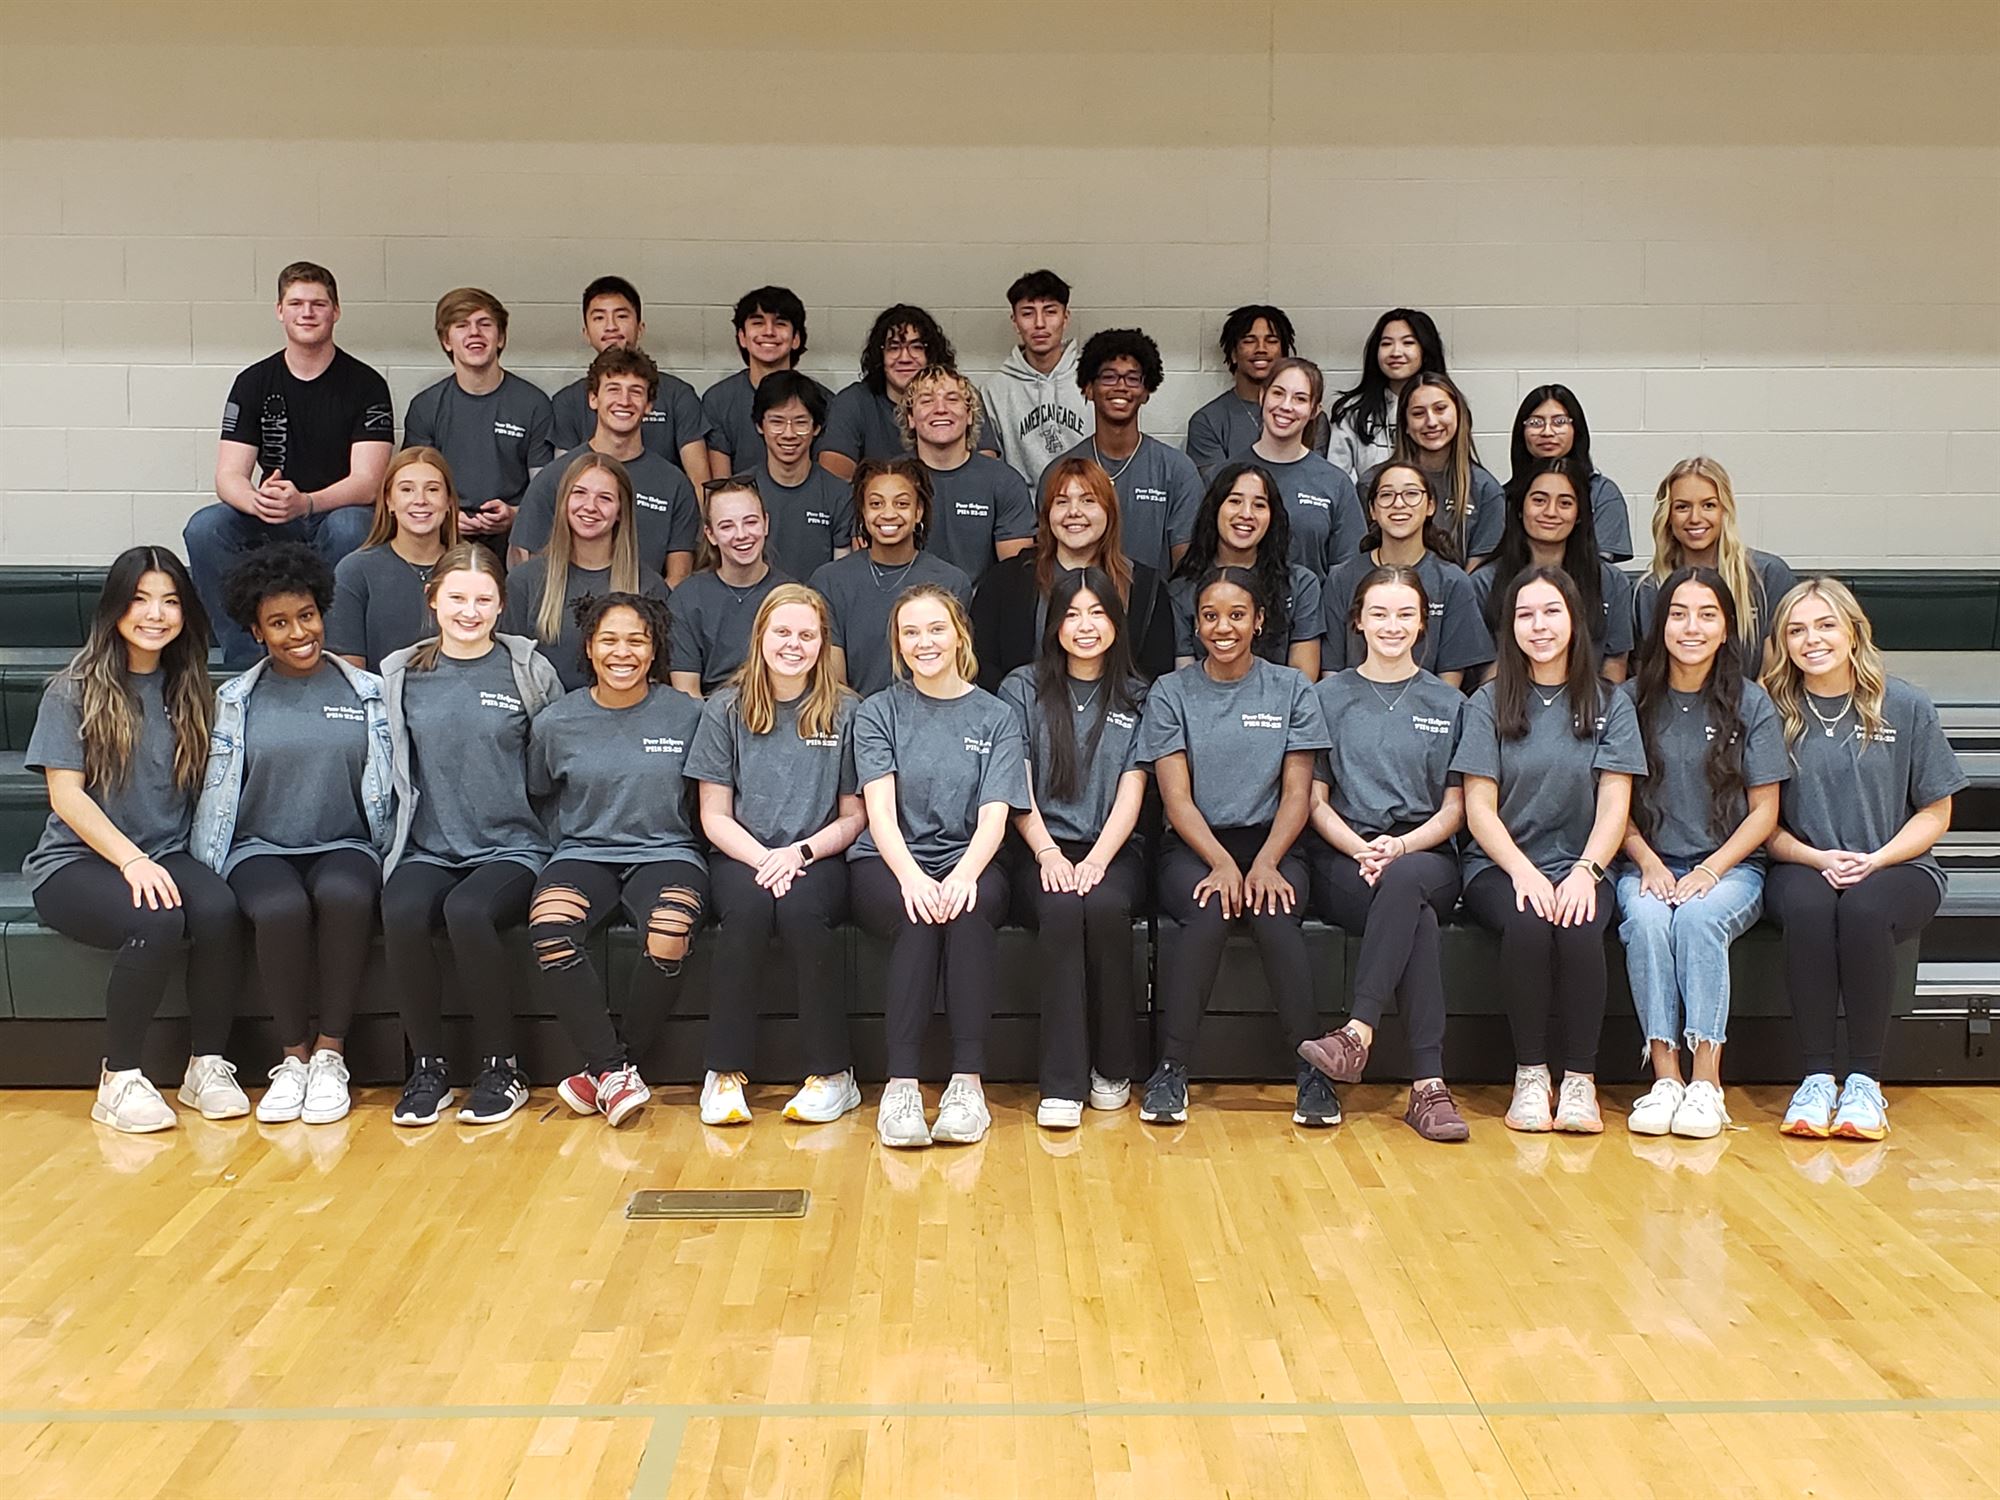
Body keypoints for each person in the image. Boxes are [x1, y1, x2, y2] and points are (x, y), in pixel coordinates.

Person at [23, 548, 248, 1133]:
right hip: (76, 862)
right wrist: (130, 860)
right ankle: (119, 1078)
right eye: (142, 599)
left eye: (170, 601)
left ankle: (207, 1065)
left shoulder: (190, 684)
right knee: (157, 917)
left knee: (221, 908)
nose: (156, 614)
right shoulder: (72, 688)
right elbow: (65, 797)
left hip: (164, 851)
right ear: (116, 608)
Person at [192, 544, 394, 1128]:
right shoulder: (235, 700)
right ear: (256, 632)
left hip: (346, 843)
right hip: (259, 847)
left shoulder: (368, 692)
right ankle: (293, 1060)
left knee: (346, 896)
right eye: (279, 623)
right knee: (278, 908)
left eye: (306, 616)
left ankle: (331, 1056)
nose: (298, 632)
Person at [1764, 577, 1964, 1142]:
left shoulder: (1905, 704)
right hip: (1800, 864)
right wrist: (1816, 856)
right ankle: (1816, 1078)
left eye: (1825, 625)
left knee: (1864, 912)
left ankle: (1865, 1083)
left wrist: (1876, 860)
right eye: (1796, 630)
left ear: (1854, 632)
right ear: (1783, 642)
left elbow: (1936, 813)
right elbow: (1763, 822)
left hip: (1899, 866)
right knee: (1809, 909)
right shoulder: (1770, 710)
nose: (1812, 639)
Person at [1135, 568, 1336, 1127]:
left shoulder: (1291, 688)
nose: (1223, 627)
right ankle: (1171, 1069)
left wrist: (1266, 861)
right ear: (1196, 624)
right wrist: (1223, 863)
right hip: (1196, 846)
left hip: (1276, 841)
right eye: (1210, 616)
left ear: (1260, 621)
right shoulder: (1171, 692)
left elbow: (1297, 793)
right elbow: (1175, 798)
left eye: (1237, 615)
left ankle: (1312, 1072)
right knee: (1209, 908)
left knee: (1274, 915)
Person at [1451, 567, 1646, 1135]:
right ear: (1510, 627)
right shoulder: (1488, 702)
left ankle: (1581, 1080)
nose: (1539, 626)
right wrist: (1523, 873)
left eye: (1551, 612)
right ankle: (1532, 1076)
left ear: (1575, 620)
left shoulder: (1612, 702)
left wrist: (1586, 871)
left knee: (1582, 927)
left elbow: (1616, 802)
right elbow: (1478, 808)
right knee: (1531, 923)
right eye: (1525, 614)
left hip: (1584, 863)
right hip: (1501, 866)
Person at [380, 545, 564, 1128]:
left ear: (501, 606)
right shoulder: (399, 674)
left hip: (513, 845)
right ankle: (428, 1068)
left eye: (483, 599)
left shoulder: (530, 671)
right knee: (402, 910)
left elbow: (558, 762)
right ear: (433, 600)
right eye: (456, 597)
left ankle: (501, 1066)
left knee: (467, 911)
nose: (470, 610)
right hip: (429, 845)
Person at [1296, 567, 1470, 1141]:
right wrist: (1363, 848)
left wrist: (1400, 845)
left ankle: (1357, 1035)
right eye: (1379, 613)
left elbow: (1454, 809)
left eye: (1404, 614)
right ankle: (1428, 1088)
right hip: (1347, 856)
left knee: (1410, 884)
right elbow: (1314, 801)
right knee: (1410, 912)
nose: (1391, 626)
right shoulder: (1327, 695)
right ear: (1358, 620)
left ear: (1422, 623)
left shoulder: (1449, 702)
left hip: (1425, 852)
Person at [852, 584, 1028, 1149]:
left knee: (967, 912)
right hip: (891, 860)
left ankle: (966, 1087)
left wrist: (960, 877)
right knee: (918, 915)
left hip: (970, 860)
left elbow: (995, 817)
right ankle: (900, 1088)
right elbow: (879, 815)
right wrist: (913, 879)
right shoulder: (878, 711)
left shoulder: (997, 715)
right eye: (910, 632)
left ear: (959, 635)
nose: (924, 642)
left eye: (935, 629)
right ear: (897, 644)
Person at [1616, 567, 1788, 1139]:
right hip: (1648, 858)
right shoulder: (1629, 700)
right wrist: (1647, 861)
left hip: (1732, 866)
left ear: (1727, 629)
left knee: (1697, 919)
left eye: (1707, 615)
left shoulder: (1753, 702)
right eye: (1679, 613)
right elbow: (1613, 803)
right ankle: (1665, 1077)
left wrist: (1713, 870)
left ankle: (1706, 1084)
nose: (1692, 627)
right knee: (1643, 919)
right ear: (1660, 624)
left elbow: (1765, 811)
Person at [687, 584, 868, 1126]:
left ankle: (835, 1075)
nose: (794, 644)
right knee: (744, 914)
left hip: (819, 855)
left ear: (822, 643)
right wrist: (766, 858)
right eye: (782, 632)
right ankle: (722, 1073)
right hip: (743, 853)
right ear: (760, 636)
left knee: (799, 912)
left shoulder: (848, 709)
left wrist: (799, 853)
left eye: (807, 635)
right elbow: (714, 814)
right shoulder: (724, 707)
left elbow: (854, 815)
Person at [531, 593, 707, 1129]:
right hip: (584, 853)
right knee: (550, 925)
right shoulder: (555, 722)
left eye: (637, 640)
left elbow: (708, 802)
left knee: (670, 928)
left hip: (668, 852)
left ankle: (606, 1071)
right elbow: (539, 796)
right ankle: (614, 1069)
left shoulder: (689, 715)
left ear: (655, 650)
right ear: (589, 646)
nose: (623, 652)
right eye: (609, 639)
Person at [997, 569, 1149, 1128]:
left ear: (1116, 622)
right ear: (1054, 624)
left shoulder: (1139, 694)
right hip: (1040, 846)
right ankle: (1061, 1081)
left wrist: (1097, 861)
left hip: (1110, 848)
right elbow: (1017, 785)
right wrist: (1048, 854)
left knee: (1106, 906)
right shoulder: (1022, 688)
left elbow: (1133, 789)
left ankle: (1112, 1067)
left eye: (1098, 613)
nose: (1085, 627)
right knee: (1061, 909)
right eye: (1073, 615)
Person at [190, 261, 394, 666]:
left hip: (333, 511)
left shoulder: (367, 384)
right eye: (296, 303)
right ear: (279, 310)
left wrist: (308, 502)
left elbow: (369, 483)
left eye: (318, 304)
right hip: (272, 513)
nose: (307, 312)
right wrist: (257, 502)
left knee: (353, 525)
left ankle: (332, 654)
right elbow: (228, 476)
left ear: (336, 311)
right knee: (205, 528)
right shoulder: (253, 382)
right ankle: (247, 656)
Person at [968, 453, 1174, 689]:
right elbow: (982, 664)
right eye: (1062, 501)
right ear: (1047, 514)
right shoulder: (1005, 581)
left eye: (1088, 500)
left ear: (1110, 512)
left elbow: (1156, 676)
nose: (1074, 511)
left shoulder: (1145, 588)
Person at [509, 346, 699, 585]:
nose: (624, 401)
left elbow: (679, 576)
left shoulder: (674, 484)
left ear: (650, 404)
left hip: (642, 618)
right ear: (593, 398)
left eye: (636, 392)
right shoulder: (556, 477)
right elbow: (525, 566)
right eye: (613, 389)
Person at [501, 452, 672, 693]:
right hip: (542, 722)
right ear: (563, 502)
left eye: (605, 498)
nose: (590, 506)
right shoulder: (524, 581)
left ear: (621, 511)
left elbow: (657, 679)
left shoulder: (648, 586)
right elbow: (507, 671)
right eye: (579, 493)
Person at [401, 287, 553, 549]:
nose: (474, 333)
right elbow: (415, 483)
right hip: (443, 531)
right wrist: (446, 516)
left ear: (501, 337)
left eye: (485, 324)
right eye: (462, 325)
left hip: (515, 534)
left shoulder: (533, 403)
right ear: (446, 341)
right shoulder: (426, 406)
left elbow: (543, 490)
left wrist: (516, 514)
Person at [808, 459, 973, 696]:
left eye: (902, 503)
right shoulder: (829, 581)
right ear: (863, 512)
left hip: (928, 720)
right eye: (876, 503)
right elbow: (834, 683)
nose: (888, 513)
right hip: (854, 721)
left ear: (918, 512)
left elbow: (954, 673)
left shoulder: (951, 582)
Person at [1320, 463, 1491, 687]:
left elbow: (1451, 676)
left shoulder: (1452, 581)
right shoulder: (1342, 578)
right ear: (1372, 510)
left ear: (1430, 506)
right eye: (1386, 495)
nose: (1398, 504)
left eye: (1411, 494)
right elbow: (1331, 668)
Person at [1471, 456, 1633, 682]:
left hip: (1588, 709)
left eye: (1565, 503)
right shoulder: (1483, 583)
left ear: (1579, 514)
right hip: (1509, 708)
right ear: (1519, 508)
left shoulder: (1611, 582)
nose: (1551, 512)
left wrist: (1601, 715)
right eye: (1539, 500)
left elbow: (1615, 662)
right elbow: (1484, 671)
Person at [1635, 457, 1797, 679]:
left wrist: (1755, 710)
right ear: (1668, 515)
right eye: (1682, 507)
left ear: (1725, 510)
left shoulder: (1767, 575)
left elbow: (1777, 669)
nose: (1695, 518)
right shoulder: (1649, 590)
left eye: (1709, 505)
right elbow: (1648, 672)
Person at [1062, 327, 1203, 580]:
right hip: (1079, 613)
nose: (1121, 387)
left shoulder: (1177, 470)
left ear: (1146, 391)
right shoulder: (1062, 471)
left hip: (1154, 613)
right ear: (1088, 388)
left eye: (1132, 378)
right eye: (1108, 377)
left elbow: (1187, 569)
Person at [1168, 462, 1324, 679]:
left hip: (1278, 709)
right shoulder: (1183, 588)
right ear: (1215, 509)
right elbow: (1183, 677)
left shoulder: (1301, 584)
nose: (1246, 514)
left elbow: (1303, 677)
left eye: (1259, 505)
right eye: (1235, 501)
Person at [550, 275, 712, 480]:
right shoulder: (567, 401)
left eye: (621, 316)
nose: (611, 326)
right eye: (599, 318)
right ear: (586, 333)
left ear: (640, 328)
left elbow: (699, 482)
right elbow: (562, 483)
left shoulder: (678, 394)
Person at [820, 304, 997, 481]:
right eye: (894, 347)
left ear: (931, 354)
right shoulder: (853, 401)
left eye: (917, 347)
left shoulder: (959, 394)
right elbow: (833, 477)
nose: (905, 358)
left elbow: (986, 467)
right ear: (879, 355)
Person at [329, 446, 462, 671]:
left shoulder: (472, 569)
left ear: (449, 501)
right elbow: (350, 672)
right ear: (389, 501)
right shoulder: (354, 571)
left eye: (432, 489)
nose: (420, 500)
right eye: (407, 489)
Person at [899, 364, 1035, 580]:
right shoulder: (889, 480)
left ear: (970, 414)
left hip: (981, 609)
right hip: (906, 607)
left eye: (952, 399)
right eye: (926, 401)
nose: (940, 408)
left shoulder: (1003, 481)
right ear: (910, 418)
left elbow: (1015, 575)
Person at [1235, 356, 1365, 576]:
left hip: (1313, 610)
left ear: (1315, 410)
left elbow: (1348, 573)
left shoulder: (1335, 484)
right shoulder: (1226, 475)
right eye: (1278, 393)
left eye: (1300, 399)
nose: (1286, 406)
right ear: (1262, 396)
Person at [667, 475, 791, 697]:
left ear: (766, 524)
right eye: (727, 526)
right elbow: (687, 695)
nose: (742, 535)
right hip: (709, 719)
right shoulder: (687, 598)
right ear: (710, 535)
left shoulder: (791, 596)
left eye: (751, 522)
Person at [1377, 372, 1503, 566]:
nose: (1431, 422)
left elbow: (1478, 574)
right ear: (1406, 425)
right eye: (1418, 413)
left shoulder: (1485, 490)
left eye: (1440, 409)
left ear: (1459, 414)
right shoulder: (1374, 483)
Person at [980, 269, 1090, 487]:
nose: (1039, 324)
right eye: (1028, 313)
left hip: (1086, 504)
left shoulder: (1091, 379)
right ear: (1015, 321)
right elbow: (989, 468)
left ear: (1065, 318)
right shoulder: (995, 390)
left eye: (1050, 312)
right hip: (1022, 513)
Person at [703, 285, 826, 475]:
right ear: (742, 337)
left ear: (796, 339)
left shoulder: (825, 400)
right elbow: (721, 486)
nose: (769, 331)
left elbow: (825, 480)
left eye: (780, 323)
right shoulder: (718, 399)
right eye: (758, 322)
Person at [748, 370, 854, 581]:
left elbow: (842, 577)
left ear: (816, 427)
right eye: (777, 422)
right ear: (760, 425)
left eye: (800, 422)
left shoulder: (840, 494)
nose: (789, 434)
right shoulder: (740, 491)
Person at [1508, 384, 1633, 563]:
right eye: (1536, 423)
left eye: (1559, 422)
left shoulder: (1601, 493)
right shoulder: (1502, 495)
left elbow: (1599, 572)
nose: (1547, 432)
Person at [1327, 309, 1448, 482]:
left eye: (1408, 343)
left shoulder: (1448, 408)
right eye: (1386, 344)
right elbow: (1338, 481)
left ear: (1425, 349)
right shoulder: (1352, 412)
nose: (1396, 352)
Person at [1185, 305, 1295, 478]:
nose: (1261, 349)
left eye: (1272, 340)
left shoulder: (1306, 416)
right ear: (1234, 354)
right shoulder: (1208, 421)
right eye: (1249, 341)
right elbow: (1217, 490)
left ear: (1283, 353)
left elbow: (1313, 482)